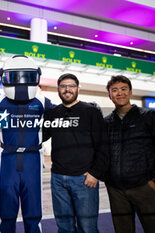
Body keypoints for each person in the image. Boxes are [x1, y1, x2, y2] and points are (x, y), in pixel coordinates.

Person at [104, 75, 155, 233]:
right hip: (116, 191)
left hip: (144, 187)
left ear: (130, 92)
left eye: (123, 89)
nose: (119, 93)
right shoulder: (106, 122)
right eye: (114, 90)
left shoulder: (149, 117)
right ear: (109, 95)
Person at [0, 55, 54, 233]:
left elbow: (61, 116)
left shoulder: (41, 102)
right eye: (14, 77)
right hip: (7, 159)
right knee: (7, 209)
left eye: (26, 76)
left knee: (33, 210)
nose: (20, 81)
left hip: (33, 159)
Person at [43, 73, 109, 233]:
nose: (67, 89)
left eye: (71, 86)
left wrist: (95, 173)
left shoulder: (91, 112)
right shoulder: (52, 113)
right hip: (58, 179)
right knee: (64, 227)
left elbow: (104, 145)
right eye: (63, 86)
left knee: (87, 228)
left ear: (78, 88)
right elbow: (39, 136)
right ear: (58, 89)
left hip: (84, 179)